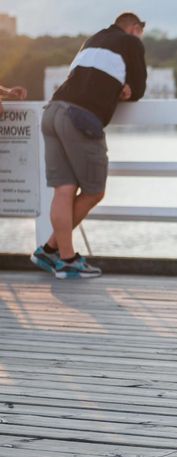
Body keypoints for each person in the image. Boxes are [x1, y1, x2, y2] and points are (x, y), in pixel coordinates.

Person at [31, 12, 147, 279]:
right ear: (134, 28)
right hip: (79, 117)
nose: (140, 38)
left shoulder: (92, 40)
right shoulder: (131, 42)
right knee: (94, 191)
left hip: (52, 111)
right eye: (141, 32)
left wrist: (117, 86)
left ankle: (55, 254)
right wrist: (126, 89)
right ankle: (61, 256)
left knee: (64, 190)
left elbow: (84, 78)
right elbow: (138, 90)